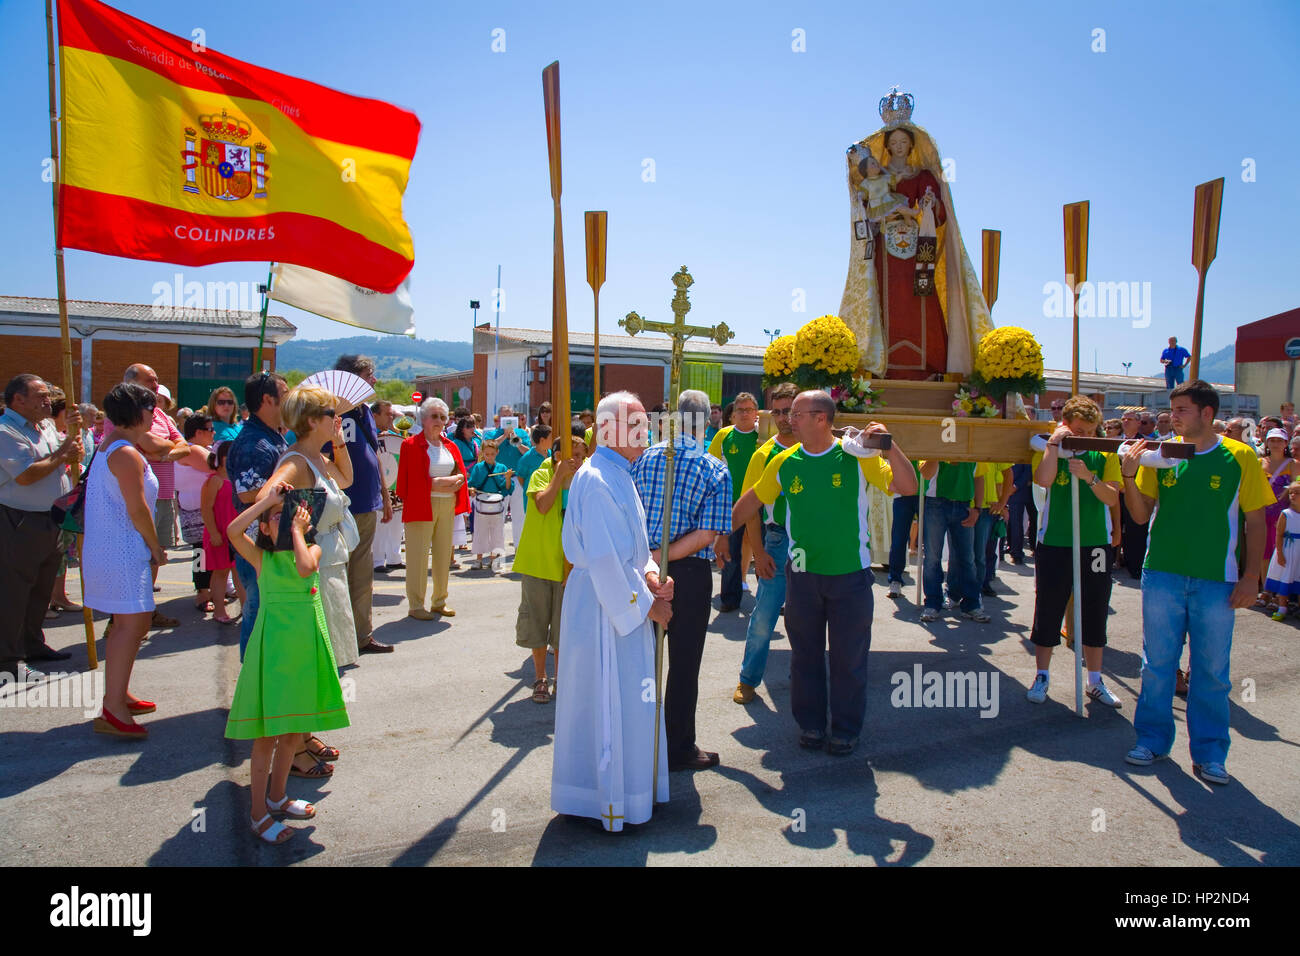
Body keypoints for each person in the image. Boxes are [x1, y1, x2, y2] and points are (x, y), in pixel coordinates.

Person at [734, 390, 918, 754]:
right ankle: (812, 726)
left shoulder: (856, 455)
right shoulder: (784, 461)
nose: (789, 420)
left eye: (798, 414)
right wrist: (720, 533)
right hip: (802, 576)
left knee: (848, 658)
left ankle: (846, 729)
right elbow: (753, 499)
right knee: (805, 656)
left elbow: (908, 486)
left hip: (850, 578)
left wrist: (887, 446)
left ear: (821, 418)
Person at [1121, 380, 1273, 785]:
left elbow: (1256, 522)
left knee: (1211, 672)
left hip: (1216, 580)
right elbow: (1139, 516)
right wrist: (1129, 477)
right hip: (1162, 574)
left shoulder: (1240, 456)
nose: (1173, 417)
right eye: (1172, 410)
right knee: (1157, 667)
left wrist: (1251, 577)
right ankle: (1152, 740)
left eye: (1183, 409)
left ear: (1207, 413)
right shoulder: (1161, 454)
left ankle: (1209, 754)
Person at [551, 391, 674, 831]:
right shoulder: (598, 479)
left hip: (620, 602)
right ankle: (603, 798)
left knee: (628, 700)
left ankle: (630, 791)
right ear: (607, 430)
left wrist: (654, 575)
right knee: (607, 699)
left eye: (647, 424)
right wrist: (647, 608)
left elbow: (635, 549)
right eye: (636, 425)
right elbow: (604, 562)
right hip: (605, 610)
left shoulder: (620, 473)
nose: (646, 434)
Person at [224, 485, 349, 844]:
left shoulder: (311, 546)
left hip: (304, 651)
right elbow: (233, 531)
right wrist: (267, 503)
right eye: (275, 518)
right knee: (266, 736)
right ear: (264, 528)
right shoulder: (263, 558)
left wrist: (295, 529)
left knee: (293, 730)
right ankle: (258, 813)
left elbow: (307, 566)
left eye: (293, 512)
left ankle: (278, 796)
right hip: (274, 654)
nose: (286, 518)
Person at [631, 389, 733, 771]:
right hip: (687, 572)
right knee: (684, 663)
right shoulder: (714, 467)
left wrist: (651, 558)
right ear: (707, 421)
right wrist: (665, 556)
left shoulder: (642, 459)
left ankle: (638, 737)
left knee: (642, 658)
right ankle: (678, 747)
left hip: (641, 568)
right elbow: (708, 534)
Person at [1025, 397, 1124, 707]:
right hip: (1055, 540)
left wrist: (1089, 477)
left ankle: (1095, 680)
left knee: (1094, 610)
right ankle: (1042, 675)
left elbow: (1111, 497)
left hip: (1094, 542)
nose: (1083, 435)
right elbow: (1043, 480)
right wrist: (1054, 447)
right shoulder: (1048, 448)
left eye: (1089, 430)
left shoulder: (1103, 454)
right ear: (1064, 423)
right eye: (1077, 429)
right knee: (1049, 607)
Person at [82, 383, 163, 737]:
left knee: (128, 625)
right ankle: (113, 707)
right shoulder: (126, 453)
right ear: (137, 412)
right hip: (124, 550)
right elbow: (139, 509)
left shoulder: (111, 445)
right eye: (151, 408)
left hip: (113, 547)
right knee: (132, 626)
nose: (155, 414)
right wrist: (156, 547)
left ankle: (118, 693)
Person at [261, 384, 361, 670]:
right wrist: (296, 523)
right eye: (332, 414)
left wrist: (338, 441)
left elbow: (345, 478)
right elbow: (265, 498)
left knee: (332, 652)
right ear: (313, 420)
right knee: (320, 654)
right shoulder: (296, 461)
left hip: (331, 558)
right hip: (315, 562)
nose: (338, 418)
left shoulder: (316, 457)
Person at [0, 374, 81, 683]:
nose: (48, 401)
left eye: (48, 395)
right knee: (14, 592)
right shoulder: (6, 432)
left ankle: (32, 644)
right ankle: (8, 660)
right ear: (18, 400)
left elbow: (61, 460)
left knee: (41, 589)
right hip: (20, 520)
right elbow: (25, 475)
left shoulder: (44, 426)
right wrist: (62, 455)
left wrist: (69, 443)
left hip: (51, 518)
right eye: (40, 396)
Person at [107, 365, 190, 629]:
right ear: (131, 382)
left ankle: (147, 610)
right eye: (149, 380)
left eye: (157, 380)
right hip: (136, 496)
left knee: (157, 553)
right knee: (135, 555)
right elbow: (149, 444)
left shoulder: (162, 416)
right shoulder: (121, 416)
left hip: (163, 494)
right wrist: (161, 448)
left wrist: (161, 453)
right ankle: (120, 618)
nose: (156, 385)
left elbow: (183, 446)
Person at [513, 422, 587, 703]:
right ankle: (540, 677)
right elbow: (543, 505)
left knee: (564, 627)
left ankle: (562, 678)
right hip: (538, 562)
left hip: (569, 566)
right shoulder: (542, 472)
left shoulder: (585, 478)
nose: (577, 461)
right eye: (572, 455)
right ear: (557, 455)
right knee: (537, 623)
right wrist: (558, 476)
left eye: (581, 456)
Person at [734, 382, 799, 702]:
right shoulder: (765, 453)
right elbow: (749, 510)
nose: (785, 417)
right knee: (764, 615)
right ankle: (748, 678)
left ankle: (804, 678)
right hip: (776, 541)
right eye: (779, 411)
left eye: (791, 410)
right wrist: (758, 553)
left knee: (808, 619)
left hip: (812, 543)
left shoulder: (819, 447)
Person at [332, 356, 395, 656]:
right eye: (369, 375)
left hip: (367, 500)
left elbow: (373, 453)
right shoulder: (331, 412)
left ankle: (362, 636)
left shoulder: (365, 412)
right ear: (350, 377)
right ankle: (339, 639)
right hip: (341, 504)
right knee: (340, 573)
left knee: (362, 572)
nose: (374, 380)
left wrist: (384, 494)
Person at [227, 372, 289, 661]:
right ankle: (250, 689)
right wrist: (286, 488)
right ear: (268, 400)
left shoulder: (271, 434)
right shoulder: (254, 443)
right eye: (285, 394)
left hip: (271, 538)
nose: (289, 401)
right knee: (257, 609)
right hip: (256, 544)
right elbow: (247, 493)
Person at [397, 397, 469, 620]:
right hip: (421, 505)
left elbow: (461, 472)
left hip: (446, 504)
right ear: (424, 419)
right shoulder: (409, 445)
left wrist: (453, 480)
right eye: (434, 416)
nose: (439, 421)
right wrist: (434, 484)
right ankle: (416, 604)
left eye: (443, 417)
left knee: (442, 554)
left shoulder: (450, 445)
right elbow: (405, 482)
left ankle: (439, 601)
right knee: (418, 556)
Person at [918, 459, 989, 623]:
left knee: (967, 558)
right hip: (936, 502)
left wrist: (977, 508)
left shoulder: (973, 444)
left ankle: (971, 604)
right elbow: (926, 473)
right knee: (932, 558)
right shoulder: (934, 440)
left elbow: (979, 477)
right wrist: (937, 454)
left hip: (964, 505)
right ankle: (932, 604)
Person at [709, 391, 761, 612]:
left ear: (756, 413)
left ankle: (770, 597)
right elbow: (711, 465)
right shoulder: (724, 435)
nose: (745, 414)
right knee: (730, 551)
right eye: (740, 410)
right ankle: (730, 598)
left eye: (749, 410)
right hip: (732, 503)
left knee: (764, 551)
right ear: (732, 414)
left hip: (761, 501)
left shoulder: (764, 435)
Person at [175, 414, 216, 612]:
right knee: (201, 553)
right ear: (198, 433)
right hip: (196, 513)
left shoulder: (199, 449)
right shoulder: (192, 450)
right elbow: (216, 467)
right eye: (210, 429)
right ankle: (202, 592)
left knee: (207, 552)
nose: (214, 433)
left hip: (202, 509)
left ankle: (209, 590)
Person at [201, 441, 244, 625]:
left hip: (235, 534)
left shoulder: (236, 479)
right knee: (220, 573)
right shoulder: (214, 481)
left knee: (239, 572)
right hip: (219, 534)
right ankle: (219, 610)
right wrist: (214, 533)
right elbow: (206, 509)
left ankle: (245, 607)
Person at [1259, 428, 1299, 607]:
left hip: (1284, 515)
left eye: (1279, 440)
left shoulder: (1293, 464)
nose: (1275, 443)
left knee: (1282, 552)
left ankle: (1279, 594)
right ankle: (1266, 591)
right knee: (1264, 552)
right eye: (1272, 440)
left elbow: (1297, 487)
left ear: (1285, 443)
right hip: (1261, 513)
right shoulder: (1259, 462)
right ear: (1266, 442)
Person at [484, 404, 532, 545]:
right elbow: (487, 450)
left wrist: (515, 439)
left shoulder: (521, 433)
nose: (508, 418)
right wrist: (505, 436)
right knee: (498, 515)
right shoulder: (492, 434)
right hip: (498, 479)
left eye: (510, 415)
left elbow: (528, 453)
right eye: (505, 415)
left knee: (519, 515)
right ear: (499, 418)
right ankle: (496, 548)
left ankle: (519, 547)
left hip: (517, 479)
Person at [468, 439, 513, 570]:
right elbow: (472, 484)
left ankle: (494, 559)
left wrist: (508, 478)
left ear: (497, 453)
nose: (489, 457)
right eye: (487, 454)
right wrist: (471, 490)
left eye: (492, 454)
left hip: (497, 503)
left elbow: (507, 489)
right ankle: (479, 559)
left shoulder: (502, 468)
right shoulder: (478, 467)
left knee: (497, 532)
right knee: (479, 531)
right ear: (482, 453)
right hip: (481, 503)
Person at [371, 401, 405, 571]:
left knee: (396, 523)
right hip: (379, 485)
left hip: (395, 484)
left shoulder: (394, 435)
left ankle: (394, 557)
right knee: (380, 523)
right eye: (387, 414)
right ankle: (377, 560)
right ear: (375, 415)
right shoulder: (369, 434)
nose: (391, 417)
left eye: (392, 414)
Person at [973, 461, 1012, 596]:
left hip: (989, 509)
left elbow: (1006, 476)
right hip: (966, 504)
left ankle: (981, 586)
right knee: (963, 553)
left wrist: (1002, 504)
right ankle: (959, 590)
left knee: (985, 553)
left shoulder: (996, 451)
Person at [1264, 480, 1300, 621]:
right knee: (1286, 577)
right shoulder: (1285, 514)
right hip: (1288, 551)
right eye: (1291, 492)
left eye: (1297, 493)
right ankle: (1282, 608)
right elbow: (1279, 535)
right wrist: (1279, 554)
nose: (1293, 495)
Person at [1004, 462, 1037, 565]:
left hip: (1027, 489)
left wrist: (1015, 486)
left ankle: (1033, 548)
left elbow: (1028, 471)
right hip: (1012, 491)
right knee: (1015, 523)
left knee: (1033, 521)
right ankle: (1015, 553)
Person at [515, 423, 552, 513]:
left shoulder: (552, 454)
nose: (553, 440)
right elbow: (521, 477)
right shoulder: (527, 458)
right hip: (532, 501)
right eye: (551, 438)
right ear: (542, 440)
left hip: (549, 499)